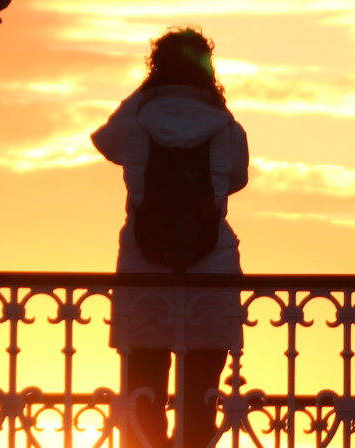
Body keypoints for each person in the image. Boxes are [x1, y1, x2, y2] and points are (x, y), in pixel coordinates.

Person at [91, 27, 249, 448]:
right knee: (201, 396)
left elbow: (103, 141)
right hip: (210, 269)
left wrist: (145, 91)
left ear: (155, 69)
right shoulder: (226, 127)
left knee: (142, 391)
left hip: (144, 268)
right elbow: (236, 180)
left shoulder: (137, 122)